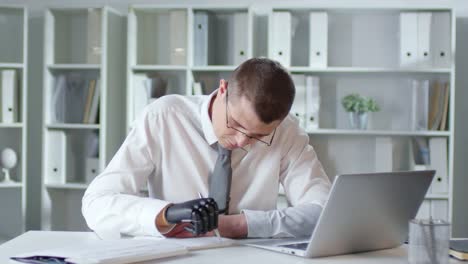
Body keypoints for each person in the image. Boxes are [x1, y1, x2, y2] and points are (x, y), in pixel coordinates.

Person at [82, 58, 331, 239]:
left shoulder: (287, 131)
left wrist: (239, 225)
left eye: (259, 136)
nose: (242, 142)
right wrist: (168, 214)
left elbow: (323, 212)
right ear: (223, 91)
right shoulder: (164, 117)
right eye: (235, 125)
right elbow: (96, 204)